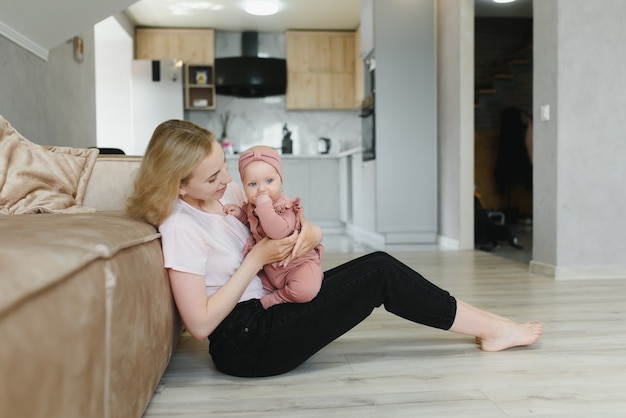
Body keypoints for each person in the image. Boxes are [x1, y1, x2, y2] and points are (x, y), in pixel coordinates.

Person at [126, 119, 543, 378]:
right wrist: (255, 259)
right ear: (179, 185)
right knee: (379, 273)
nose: (225, 179)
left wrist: (312, 233)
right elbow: (198, 325)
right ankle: (493, 329)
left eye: (223, 165)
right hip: (247, 343)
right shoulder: (181, 226)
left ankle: (491, 324)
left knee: (379, 267)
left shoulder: (225, 195)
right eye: (212, 175)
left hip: (269, 308)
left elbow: (293, 222)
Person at [222, 145, 324, 309]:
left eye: (269, 181)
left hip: (297, 265)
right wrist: (241, 214)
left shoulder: (284, 206)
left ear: (280, 181)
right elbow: (253, 224)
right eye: (253, 184)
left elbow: (276, 232)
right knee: (253, 285)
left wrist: (263, 206)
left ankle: (278, 298)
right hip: (271, 270)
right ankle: (271, 293)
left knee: (305, 290)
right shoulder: (252, 206)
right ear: (244, 187)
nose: (262, 189)